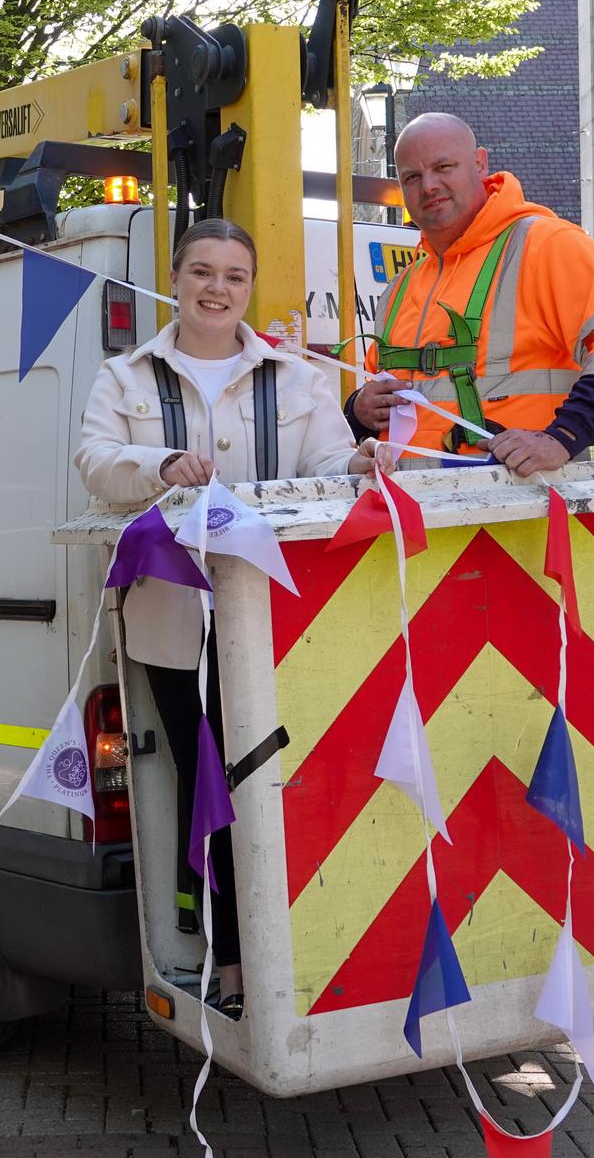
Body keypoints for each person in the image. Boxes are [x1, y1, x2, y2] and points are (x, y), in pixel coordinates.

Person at [75, 218, 395, 1021]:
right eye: (202, 272)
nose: (217, 289)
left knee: (280, 789)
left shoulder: (294, 376)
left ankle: (295, 944)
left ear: (250, 288)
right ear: (176, 279)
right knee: (208, 788)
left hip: (280, 624)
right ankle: (231, 955)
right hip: (174, 630)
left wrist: (359, 463)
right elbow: (96, 464)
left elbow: (326, 464)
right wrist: (160, 467)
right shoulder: (125, 377)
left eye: (234, 276)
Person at [346, 113, 594, 476]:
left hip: (523, 509)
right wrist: (359, 411)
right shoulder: (400, 288)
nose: (429, 185)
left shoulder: (547, 246)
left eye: (444, 167)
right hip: (411, 518)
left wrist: (562, 437)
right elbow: (391, 397)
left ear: (480, 163)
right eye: (412, 177)